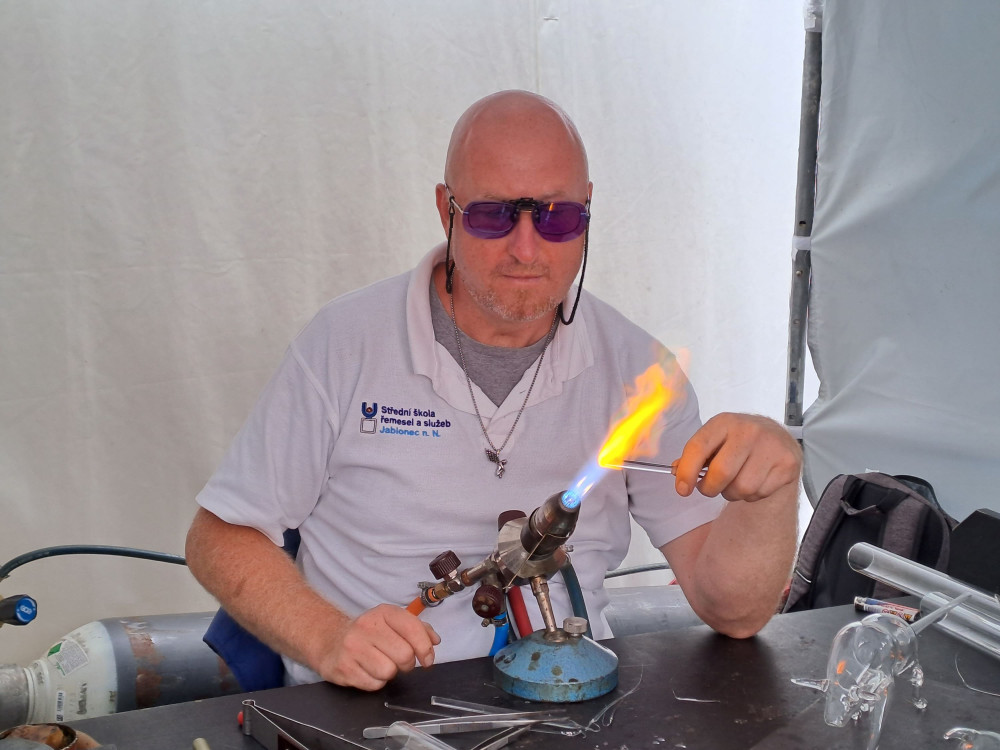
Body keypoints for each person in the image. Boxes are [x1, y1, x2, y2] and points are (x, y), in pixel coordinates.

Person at [185, 90, 801, 692]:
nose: (526, 249)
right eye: (492, 215)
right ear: (446, 209)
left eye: (558, 217)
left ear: (588, 210)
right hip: (377, 709)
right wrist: (328, 637)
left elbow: (734, 612)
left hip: (569, 702)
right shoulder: (345, 344)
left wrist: (770, 494)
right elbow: (220, 536)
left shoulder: (639, 372)